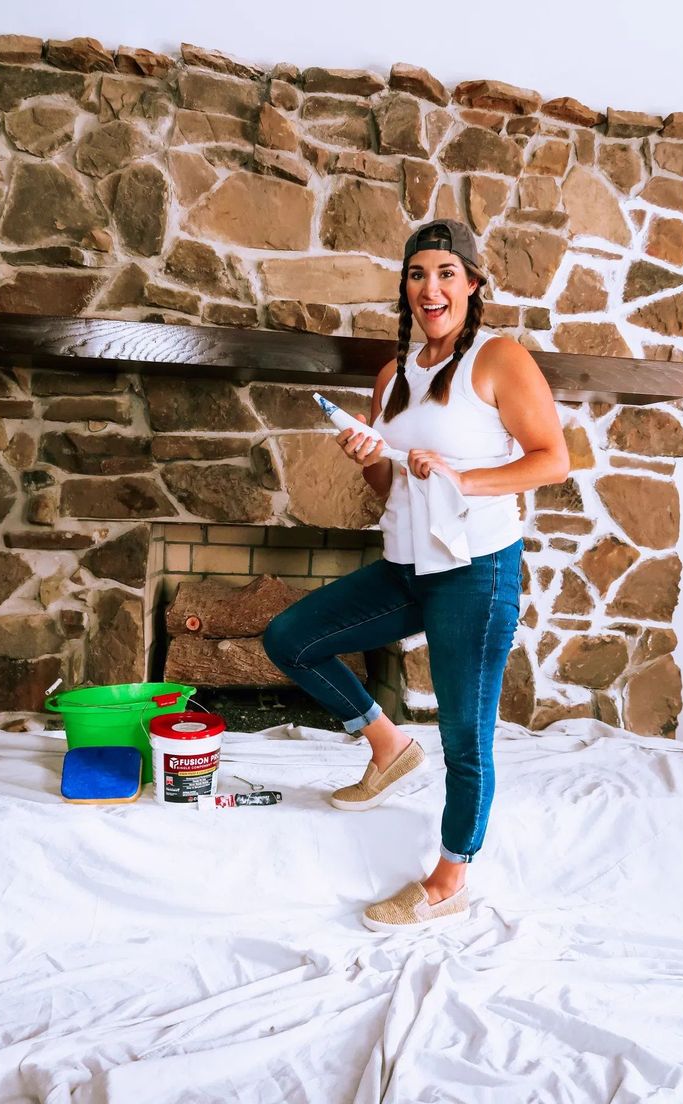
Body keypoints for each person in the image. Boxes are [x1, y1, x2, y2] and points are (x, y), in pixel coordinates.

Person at [263, 218, 569, 933]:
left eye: (445, 273)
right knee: (290, 638)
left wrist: (465, 475)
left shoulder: (499, 360)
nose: (430, 288)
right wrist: (366, 453)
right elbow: (386, 490)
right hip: (406, 566)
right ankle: (388, 746)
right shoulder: (393, 376)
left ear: (470, 285)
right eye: (416, 274)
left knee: (467, 736)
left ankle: (449, 877)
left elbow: (551, 460)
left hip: (475, 572)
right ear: (405, 289)